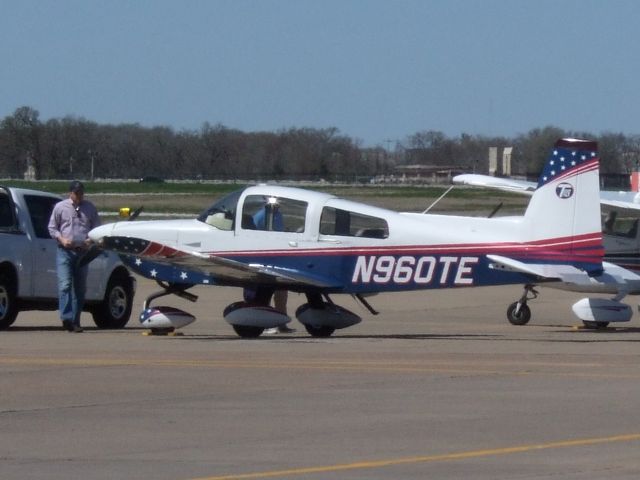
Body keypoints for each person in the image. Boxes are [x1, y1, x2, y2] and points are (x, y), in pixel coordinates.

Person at [48, 180, 101, 333]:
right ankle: (66, 318)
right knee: (65, 285)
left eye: (81, 193)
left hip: (82, 252)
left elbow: (96, 227)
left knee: (80, 289)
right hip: (65, 251)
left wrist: (89, 241)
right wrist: (62, 239)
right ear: (70, 193)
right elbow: (52, 228)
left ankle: (75, 321)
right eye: (76, 193)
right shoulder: (60, 207)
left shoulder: (89, 208)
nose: (79, 196)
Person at [250, 197, 295, 334]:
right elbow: (253, 236)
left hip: (279, 257)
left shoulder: (278, 215)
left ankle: (281, 323)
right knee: (266, 291)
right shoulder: (260, 216)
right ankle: (266, 324)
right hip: (265, 259)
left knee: (282, 293)